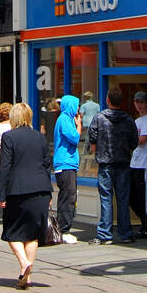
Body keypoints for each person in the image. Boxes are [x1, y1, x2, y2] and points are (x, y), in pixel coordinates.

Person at [0, 103, 52, 288]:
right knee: (33, 234)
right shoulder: (39, 137)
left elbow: (5, 167)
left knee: (12, 231)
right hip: (41, 189)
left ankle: (24, 263)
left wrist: (0, 194)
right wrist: (48, 191)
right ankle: (26, 276)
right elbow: (46, 164)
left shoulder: (9, 137)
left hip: (18, 190)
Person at [87, 88, 138, 246]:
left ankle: (105, 235)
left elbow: (92, 139)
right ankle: (125, 233)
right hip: (123, 163)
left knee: (106, 198)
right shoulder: (128, 120)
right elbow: (134, 142)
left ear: (108, 100)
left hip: (105, 163)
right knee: (123, 199)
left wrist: (97, 155)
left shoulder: (99, 118)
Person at [52, 94, 81, 244]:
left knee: (68, 197)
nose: (78, 108)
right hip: (65, 164)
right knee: (68, 198)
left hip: (67, 164)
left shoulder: (65, 119)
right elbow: (75, 138)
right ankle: (64, 230)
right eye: (76, 105)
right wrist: (80, 126)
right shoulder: (64, 119)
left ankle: (63, 228)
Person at [129, 92, 147, 237]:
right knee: (131, 196)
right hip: (135, 163)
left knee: (144, 197)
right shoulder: (137, 121)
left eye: (141, 102)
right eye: (136, 102)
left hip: (145, 163)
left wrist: (129, 140)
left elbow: (142, 140)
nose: (139, 105)